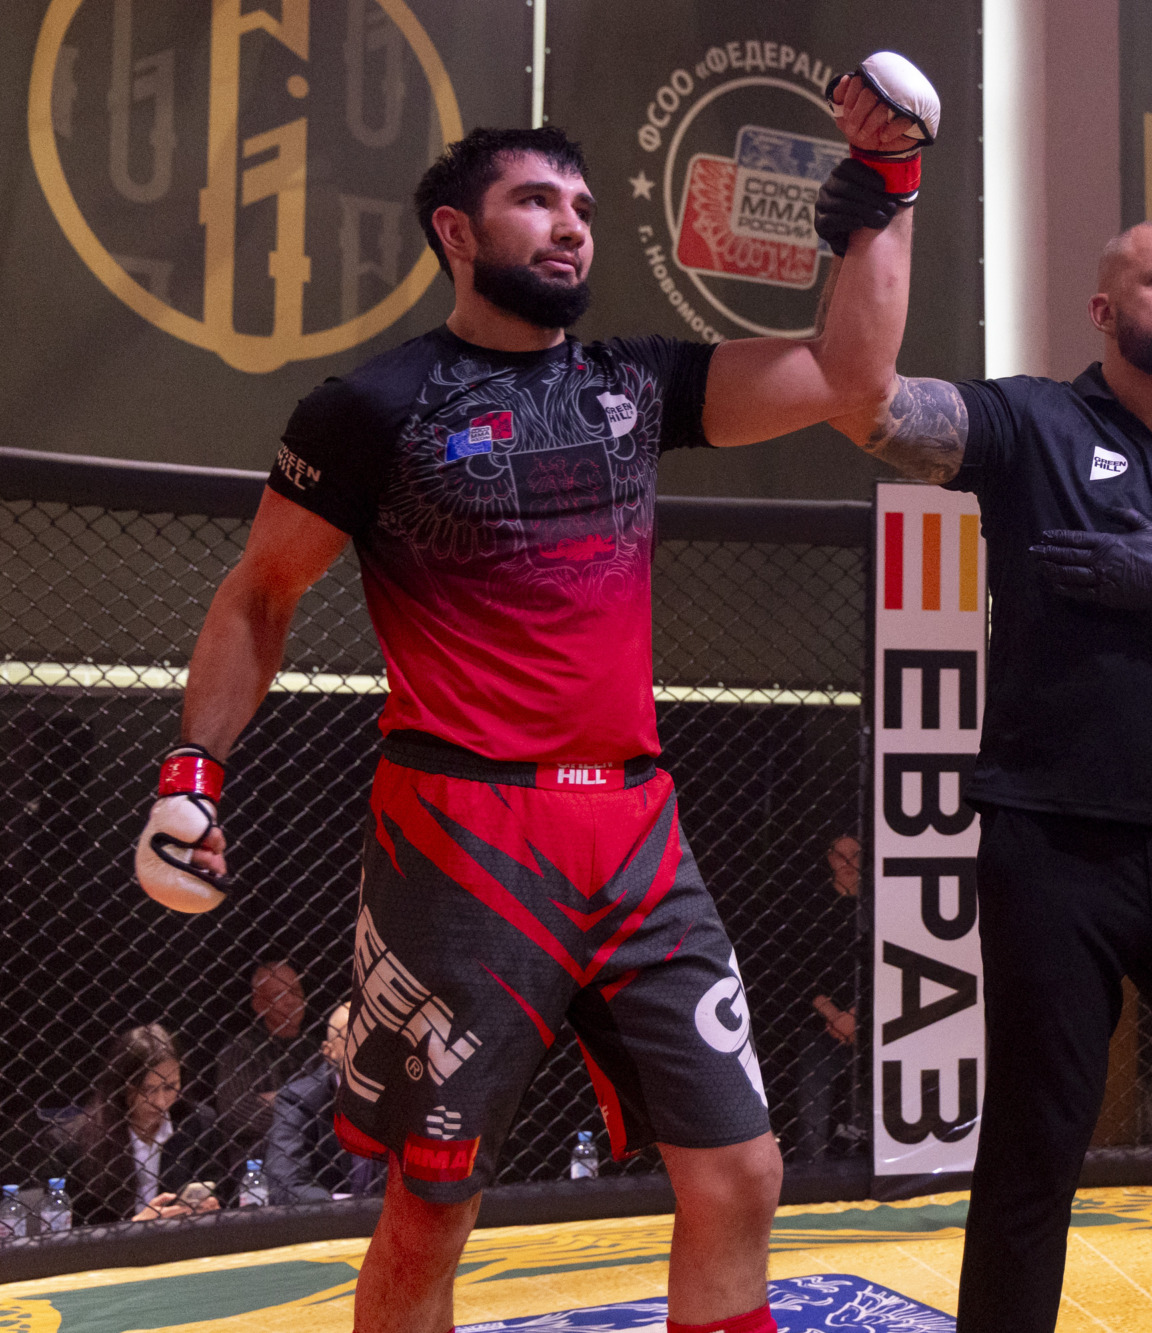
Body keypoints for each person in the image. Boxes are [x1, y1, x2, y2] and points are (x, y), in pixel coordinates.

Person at [131, 54, 941, 1333]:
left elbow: (850, 377)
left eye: (581, 207)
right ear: (456, 232)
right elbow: (259, 593)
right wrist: (191, 771)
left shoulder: (633, 382)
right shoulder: (370, 408)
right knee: (431, 1208)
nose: (570, 225)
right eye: (535, 201)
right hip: (461, 837)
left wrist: (888, 185)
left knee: (741, 1171)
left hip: (635, 827)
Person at [833, 217, 1152, 1333]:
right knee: (1031, 1153)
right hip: (1050, 841)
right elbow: (873, 409)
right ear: (1103, 310)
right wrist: (876, 224)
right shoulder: (1035, 421)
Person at [42, 1024, 225, 1226]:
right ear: (121, 1086)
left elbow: (221, 1192)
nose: (161, 1102)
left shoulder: (199, 1123)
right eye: (147, 1090)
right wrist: (136, 1226)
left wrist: (210, 1208)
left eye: (170, 1087)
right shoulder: (70, 1143)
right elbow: (69, 1229)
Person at [787, 835, 866, 1159]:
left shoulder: (878, 906)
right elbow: (798, 969)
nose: (847, 863)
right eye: (839, 855)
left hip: (870, 1022)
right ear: (829, 858)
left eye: (854, 854)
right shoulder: (811, 907)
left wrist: (858, 1014)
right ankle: (812, 1173)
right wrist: (835, 1016)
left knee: (870, 1113)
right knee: (812, 1120)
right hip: (820, 1024)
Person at [266, 1002, 388, 1203]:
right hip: (330, 1217)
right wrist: (342, 1209)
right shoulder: (300, 1100)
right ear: (329, 1052)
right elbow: (285, 1183)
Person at [215, 958, 316, 1160]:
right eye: (279, 995)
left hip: (314, 1157)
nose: (291, 1001)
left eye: (295, 991)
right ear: (259, 1005)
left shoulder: (315, 1048)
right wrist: (307, 1106)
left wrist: (277, 1100)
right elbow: (237, 1113)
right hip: (259, 1161)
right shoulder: (240, 1050)